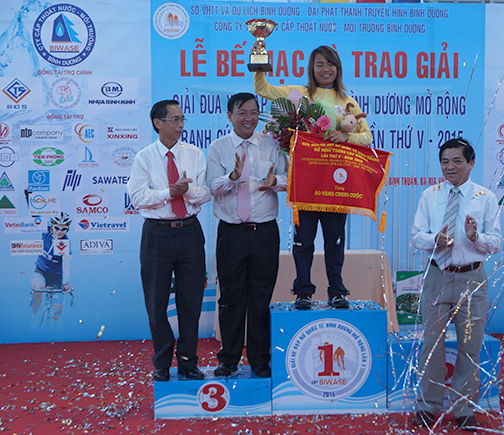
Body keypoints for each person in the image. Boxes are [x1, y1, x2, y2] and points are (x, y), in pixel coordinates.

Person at [253, 44, 372, 310]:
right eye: (319, 64)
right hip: (305, 183)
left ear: (338, 68)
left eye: (330, 64)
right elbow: (263, 89)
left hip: (336, 184)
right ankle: (303, 292)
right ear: (311, 68)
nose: (325, 69)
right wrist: (259, 64)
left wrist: (346, 137)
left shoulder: (347, 101)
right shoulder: (301, 96)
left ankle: (337, 291)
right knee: (303, 241)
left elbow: (367, 137)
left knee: (335, 241)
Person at [411, 138, 502, 430]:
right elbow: (416, 236)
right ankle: (428, 406)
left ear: (471, 163)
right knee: (431, 344)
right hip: (437, 276)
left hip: (472, 278)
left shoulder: (486, 198)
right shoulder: (430, 195)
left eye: (457, 161)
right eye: (445, 162)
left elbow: (496, 242)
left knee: (470, 346)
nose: (450, 167)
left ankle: (464, 409)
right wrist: (434, 240)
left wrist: (476, 237)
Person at [127, 100, 211, 382]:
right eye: (174, 120)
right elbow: (138, 198)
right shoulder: (144, 157)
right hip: (157, 234)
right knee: (156, 302)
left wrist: (186, 192)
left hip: (189, 232)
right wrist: (169, 193)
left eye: (182, 119)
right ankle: (162, 362)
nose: (180, 125)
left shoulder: (195, 154)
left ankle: (188, 361)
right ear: (157, 123)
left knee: (191, 302)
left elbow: (206, 193)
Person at [207, 93, 288, 378]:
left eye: (254, 112)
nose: (249, 118)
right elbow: (212, 187)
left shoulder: (271, 145)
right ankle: (228, 359)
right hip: (231, 233)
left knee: (260, 298)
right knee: (230, 298)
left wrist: (275, 181)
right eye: (242, 113)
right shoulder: (218, 148)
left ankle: (259, 360)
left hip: (264, 232)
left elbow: (289, 178)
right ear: (230, 116)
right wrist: (232, 177)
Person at [31, 211, 72, 321]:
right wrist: (27, 200)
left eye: (63, 229)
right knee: (38, 288)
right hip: (41, 271)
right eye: (56, 228)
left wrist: (66, 283)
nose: (59, 231)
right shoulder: (45, 229)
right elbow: (34, 215)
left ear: (68, 229)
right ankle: (34, 317)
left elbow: (66, 264)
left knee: (58, 313)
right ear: (52, 226)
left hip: (56, 276)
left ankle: (57, 329)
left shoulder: (66, 243)